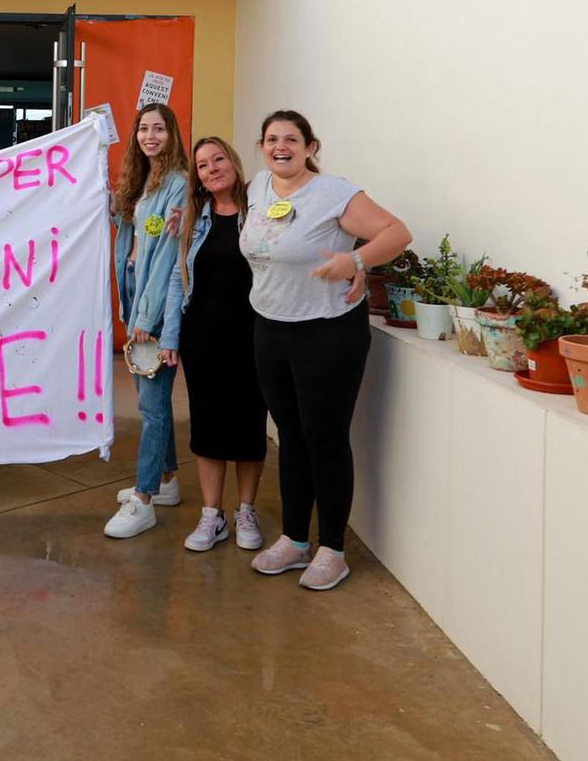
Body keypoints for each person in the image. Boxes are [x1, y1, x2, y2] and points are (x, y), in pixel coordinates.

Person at [240, 109, 411, 591]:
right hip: (271, 327)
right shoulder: (258, 188)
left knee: (325, 438)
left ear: (310, 146)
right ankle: (295, 540)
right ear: (262, 147)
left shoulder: (333, 192)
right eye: (272, 139)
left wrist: (354, 260)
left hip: (327, 332)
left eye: (291, 139)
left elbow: (397, 232)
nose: (281, 147)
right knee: (291, 435)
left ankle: (332, 549)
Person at [162, 135, 268, 553]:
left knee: (248, 423)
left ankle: (246, 510)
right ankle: (212, 515)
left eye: (218, 159)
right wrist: (171, 335)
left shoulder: (259, 211)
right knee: (207, 425)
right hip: (202, 337)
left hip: (254, 334)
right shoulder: (191, 218)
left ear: (234, 162)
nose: (211, 169)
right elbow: (177, 279)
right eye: (202, 165)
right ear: (199, 178)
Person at [103, 103, 191, 539]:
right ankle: (168, 480)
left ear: (172, 134)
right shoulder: (138, 181)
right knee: (148, 398)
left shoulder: (178, 184)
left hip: (154, 301)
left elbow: (169, 260)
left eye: (159, 129)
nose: (150, 136)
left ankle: (144, 498)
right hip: (135, 292)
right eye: (143, 128)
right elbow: (128, 233)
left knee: (152, 408)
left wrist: (147, 314)